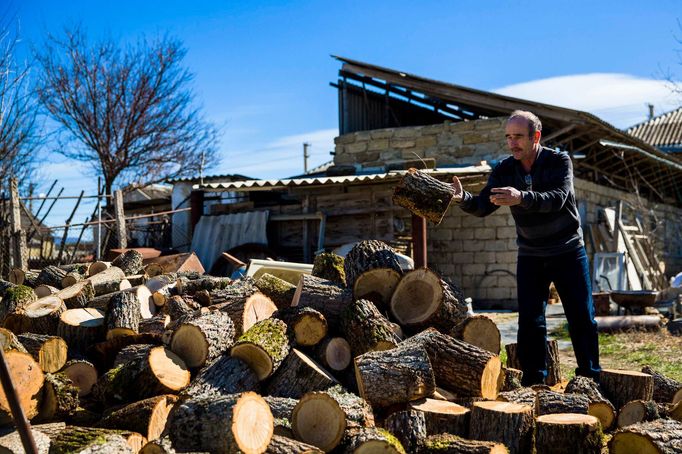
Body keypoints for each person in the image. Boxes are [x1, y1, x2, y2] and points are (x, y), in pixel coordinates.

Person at [451, 110, 601, 385]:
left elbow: (558, 198)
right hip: (531, 254)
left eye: (518, 137)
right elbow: (484, 205)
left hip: (567, 249)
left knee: (581, 316)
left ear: (536, 137)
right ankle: (535, 383)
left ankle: (590, 378)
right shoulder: (505, 169)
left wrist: (521, 197)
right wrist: (464, 199)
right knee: (530, 321)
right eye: (509, 137)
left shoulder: (558, 161)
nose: (512, 143)